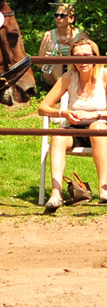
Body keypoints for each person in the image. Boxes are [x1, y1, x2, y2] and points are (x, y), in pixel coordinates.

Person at [38, 38, 107, 211]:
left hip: (101, 129)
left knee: (96, 128)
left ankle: (104, 189)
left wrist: (95, 114)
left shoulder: (104, 75)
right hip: (76, 129)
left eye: (86, 55)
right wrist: (64, 113)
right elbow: (42, 107)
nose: (82, 60)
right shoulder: (68, 77)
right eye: (77, 56)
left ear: (95, 56)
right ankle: (56, 194)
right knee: (58, 135)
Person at [37, 3, 87, 87]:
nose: (58, 18)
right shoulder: (49, 35)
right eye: (56, 15)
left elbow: (89, 57)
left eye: (62, 16)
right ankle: (62, 87)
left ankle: (62, 89)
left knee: (72, 51)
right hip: (51, 74)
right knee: (56, 53)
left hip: (74, 72)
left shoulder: (80, 35)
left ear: (71, 19)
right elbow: (39, 65)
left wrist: (71, 44)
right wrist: (46, 58)